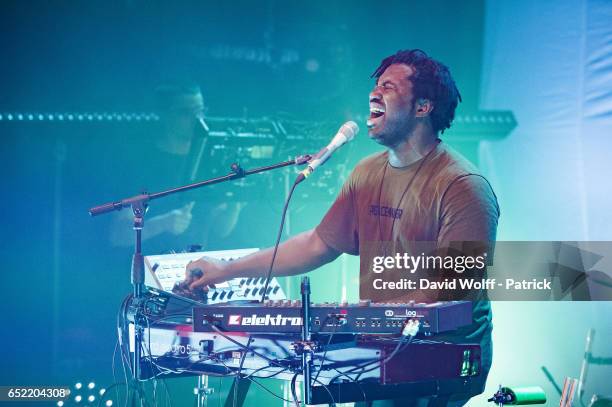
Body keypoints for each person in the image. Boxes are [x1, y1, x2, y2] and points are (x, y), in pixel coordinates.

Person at [184, 49, 500, 406]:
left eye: (389, 87)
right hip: (382, 346)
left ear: (422, 107)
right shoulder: (366, 172)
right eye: (376, 85)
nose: (374, 94)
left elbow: (454, 290)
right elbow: (318, 243)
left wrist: (366, 317)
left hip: (442, 357)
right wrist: (225, 271)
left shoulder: (463, 185)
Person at [108, 82, 242, 253]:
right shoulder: (142, 165)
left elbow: (220, 229)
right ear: (165, 115)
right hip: (148, 272)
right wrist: (161, 223)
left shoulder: (210, 161)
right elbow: (118, 235)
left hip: (196, 271)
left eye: (200, 111)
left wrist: (235, 206)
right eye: (186, 113)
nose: (197, 119)